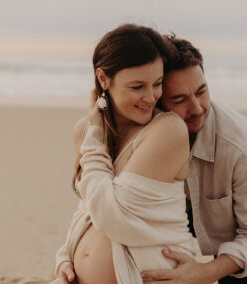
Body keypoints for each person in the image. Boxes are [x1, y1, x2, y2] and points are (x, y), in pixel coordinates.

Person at [141, 35, 247, 283]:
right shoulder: (150, 128)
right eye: (179, 100)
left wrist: (202, 273)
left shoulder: (242, 148)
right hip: (196, 210)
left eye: (202, 92)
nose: (197, 108)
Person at [52, 24, 195, 284]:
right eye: (137, 86)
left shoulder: (167, 129)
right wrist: (66, 256)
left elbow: (112, 216)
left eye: (158, 84)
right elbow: (87, 208)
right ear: (104, 78)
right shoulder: (85, 130)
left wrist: (93, 142)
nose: (151, 97)